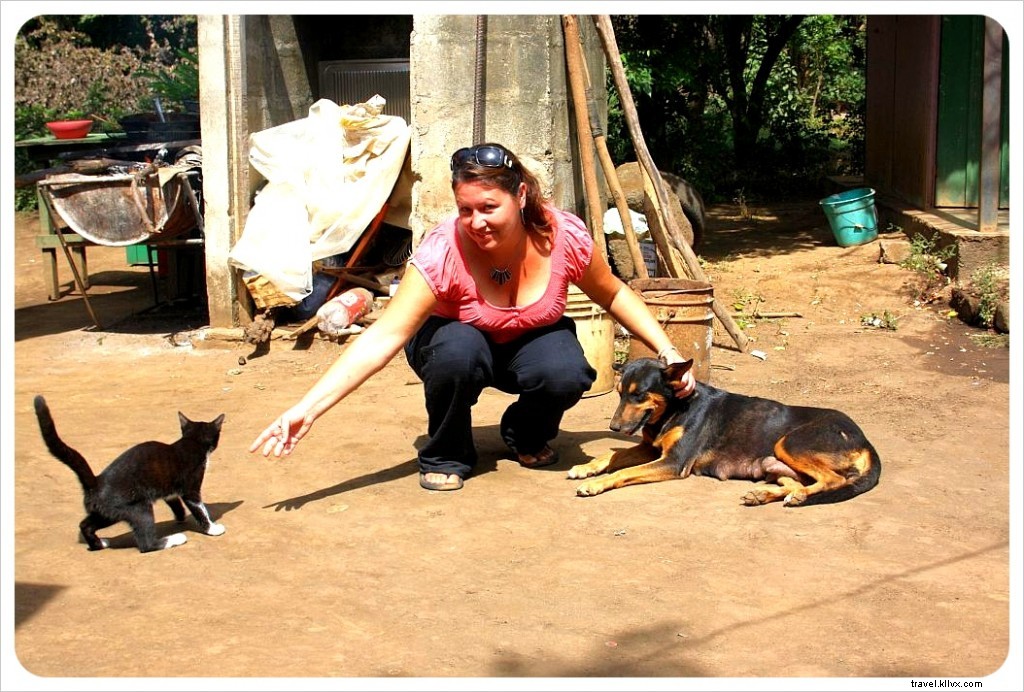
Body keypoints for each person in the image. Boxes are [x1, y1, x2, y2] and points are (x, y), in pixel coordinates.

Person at [251, 143, 696, 491]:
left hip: (529, 341)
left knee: (565, 370)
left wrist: (667, 349)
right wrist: (306, 409)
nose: (476, 221)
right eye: (465, 209)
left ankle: (523, 431)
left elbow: (614, 293)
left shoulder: (562, 236)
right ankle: (447, 452)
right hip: (456, 342)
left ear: (520, 196)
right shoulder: (444, 251)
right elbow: (383, 336)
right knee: (456, 351)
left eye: (488, 208)